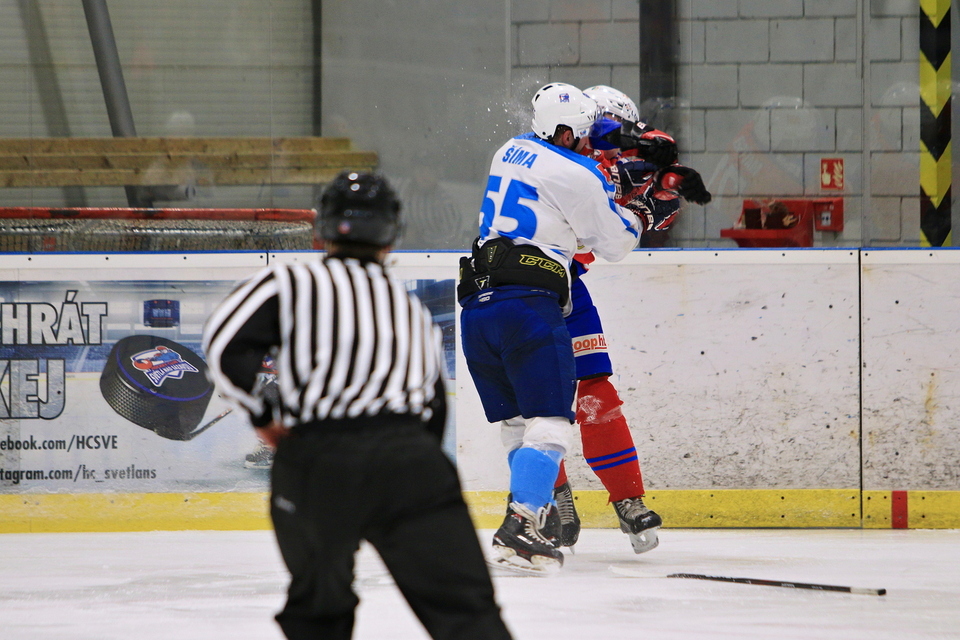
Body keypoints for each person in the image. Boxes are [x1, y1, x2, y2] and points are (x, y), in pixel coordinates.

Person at [204, 171, 513, 640]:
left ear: (321, 230)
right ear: (391, 235)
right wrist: (412, 462)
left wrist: (265, 419)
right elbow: (433, 405)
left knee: (319, 612)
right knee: (468, 615)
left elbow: (225, 347)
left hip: (319, 460)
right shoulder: (408, 308)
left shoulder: (290, 279)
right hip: (412, 463)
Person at [458, 82, 653, 574]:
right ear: (572, 131)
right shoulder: (579, 172)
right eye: (594, 130)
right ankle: (531, 514)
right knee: (549, 420)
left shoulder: (512, 149)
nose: (598, 138)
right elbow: (614, 241)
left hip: (481, 299)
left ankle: (550, 512)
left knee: (524, 422)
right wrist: (642, 212)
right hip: (533, 300)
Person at [540, 85, 711, 555]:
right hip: (526, 286)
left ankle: (628, 499)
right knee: (540, 400)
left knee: (596, 390)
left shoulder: (605, 163)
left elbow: (644, 188)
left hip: (567, 284)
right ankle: (555, 499)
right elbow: (615, 156)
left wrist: (665, 182)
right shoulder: (559, 157)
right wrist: (654, 165)